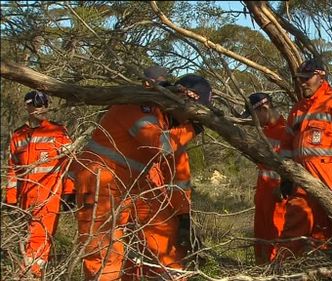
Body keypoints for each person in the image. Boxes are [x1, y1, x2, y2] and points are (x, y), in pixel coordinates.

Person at [70, 65, 209, 280]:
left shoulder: (168, 123)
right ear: (182, 98)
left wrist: (183, 215)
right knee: (105, 253)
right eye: (193, 112)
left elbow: (178, 173)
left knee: (165, 232)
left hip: (134, 182)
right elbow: (159, 145)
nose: (190, 119)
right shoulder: (139, 105)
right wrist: (192, 129)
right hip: (102, 178)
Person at [278, 59, 332, 257]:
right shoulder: (298, 109)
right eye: (301, 79)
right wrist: (286, 176)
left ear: (321, 76)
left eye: (308, 78)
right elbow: (286, 146)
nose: (303, 83)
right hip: (302, 182)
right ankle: (286, 274)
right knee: (293, 233)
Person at [4, 90, 74, 277]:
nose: (40, 109)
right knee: (26, 239)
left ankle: (31, 274)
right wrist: (11, 200)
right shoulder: (18, 136)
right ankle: (32, 272)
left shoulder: (58, 132)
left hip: (49, 196)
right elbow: (12, 170)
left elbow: (70, 163)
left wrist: (69, 192)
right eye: (35, 106)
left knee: (39, 238)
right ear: (27, 107)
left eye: (43, 106)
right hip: (24, 200)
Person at [243, 92, 287, 264]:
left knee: (275, 243)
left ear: (264, 108)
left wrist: (282, 188)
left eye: (255, 116)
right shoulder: (265, 131)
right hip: (263, 195)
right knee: (260, 242)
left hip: (278, 199)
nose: (254, 121)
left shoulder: (286, 132)